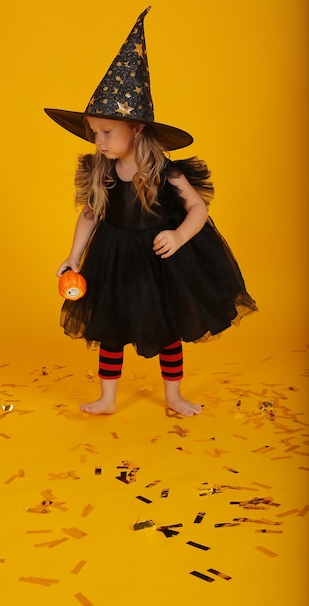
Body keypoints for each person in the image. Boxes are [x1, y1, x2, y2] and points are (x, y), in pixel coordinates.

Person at [45, 7, 257, 417]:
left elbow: (197, 209)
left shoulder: (166, 171)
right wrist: (74, 254)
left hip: (162, 260)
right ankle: (108, 398)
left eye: (106, 131)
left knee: (168, 328)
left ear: (137, 128)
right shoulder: (102, 170)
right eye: (95, 133)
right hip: (115, 258)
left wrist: (178, 236)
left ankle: (173, 395)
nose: (99, 140)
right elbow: (90, 215)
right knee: (108, 327)